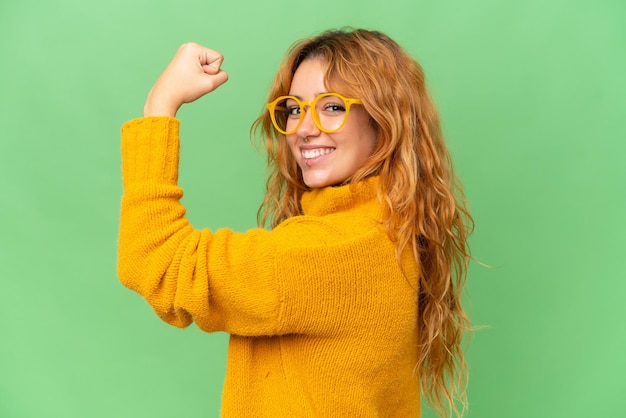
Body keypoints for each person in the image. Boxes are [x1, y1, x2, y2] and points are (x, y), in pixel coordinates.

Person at [118, 28, 473, 417]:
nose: (304, 128)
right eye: (294, 108)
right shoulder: (387, 232)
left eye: (333, 107)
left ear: (384, 121)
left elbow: (155, 258)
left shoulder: (332, 251)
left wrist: (160, 103)